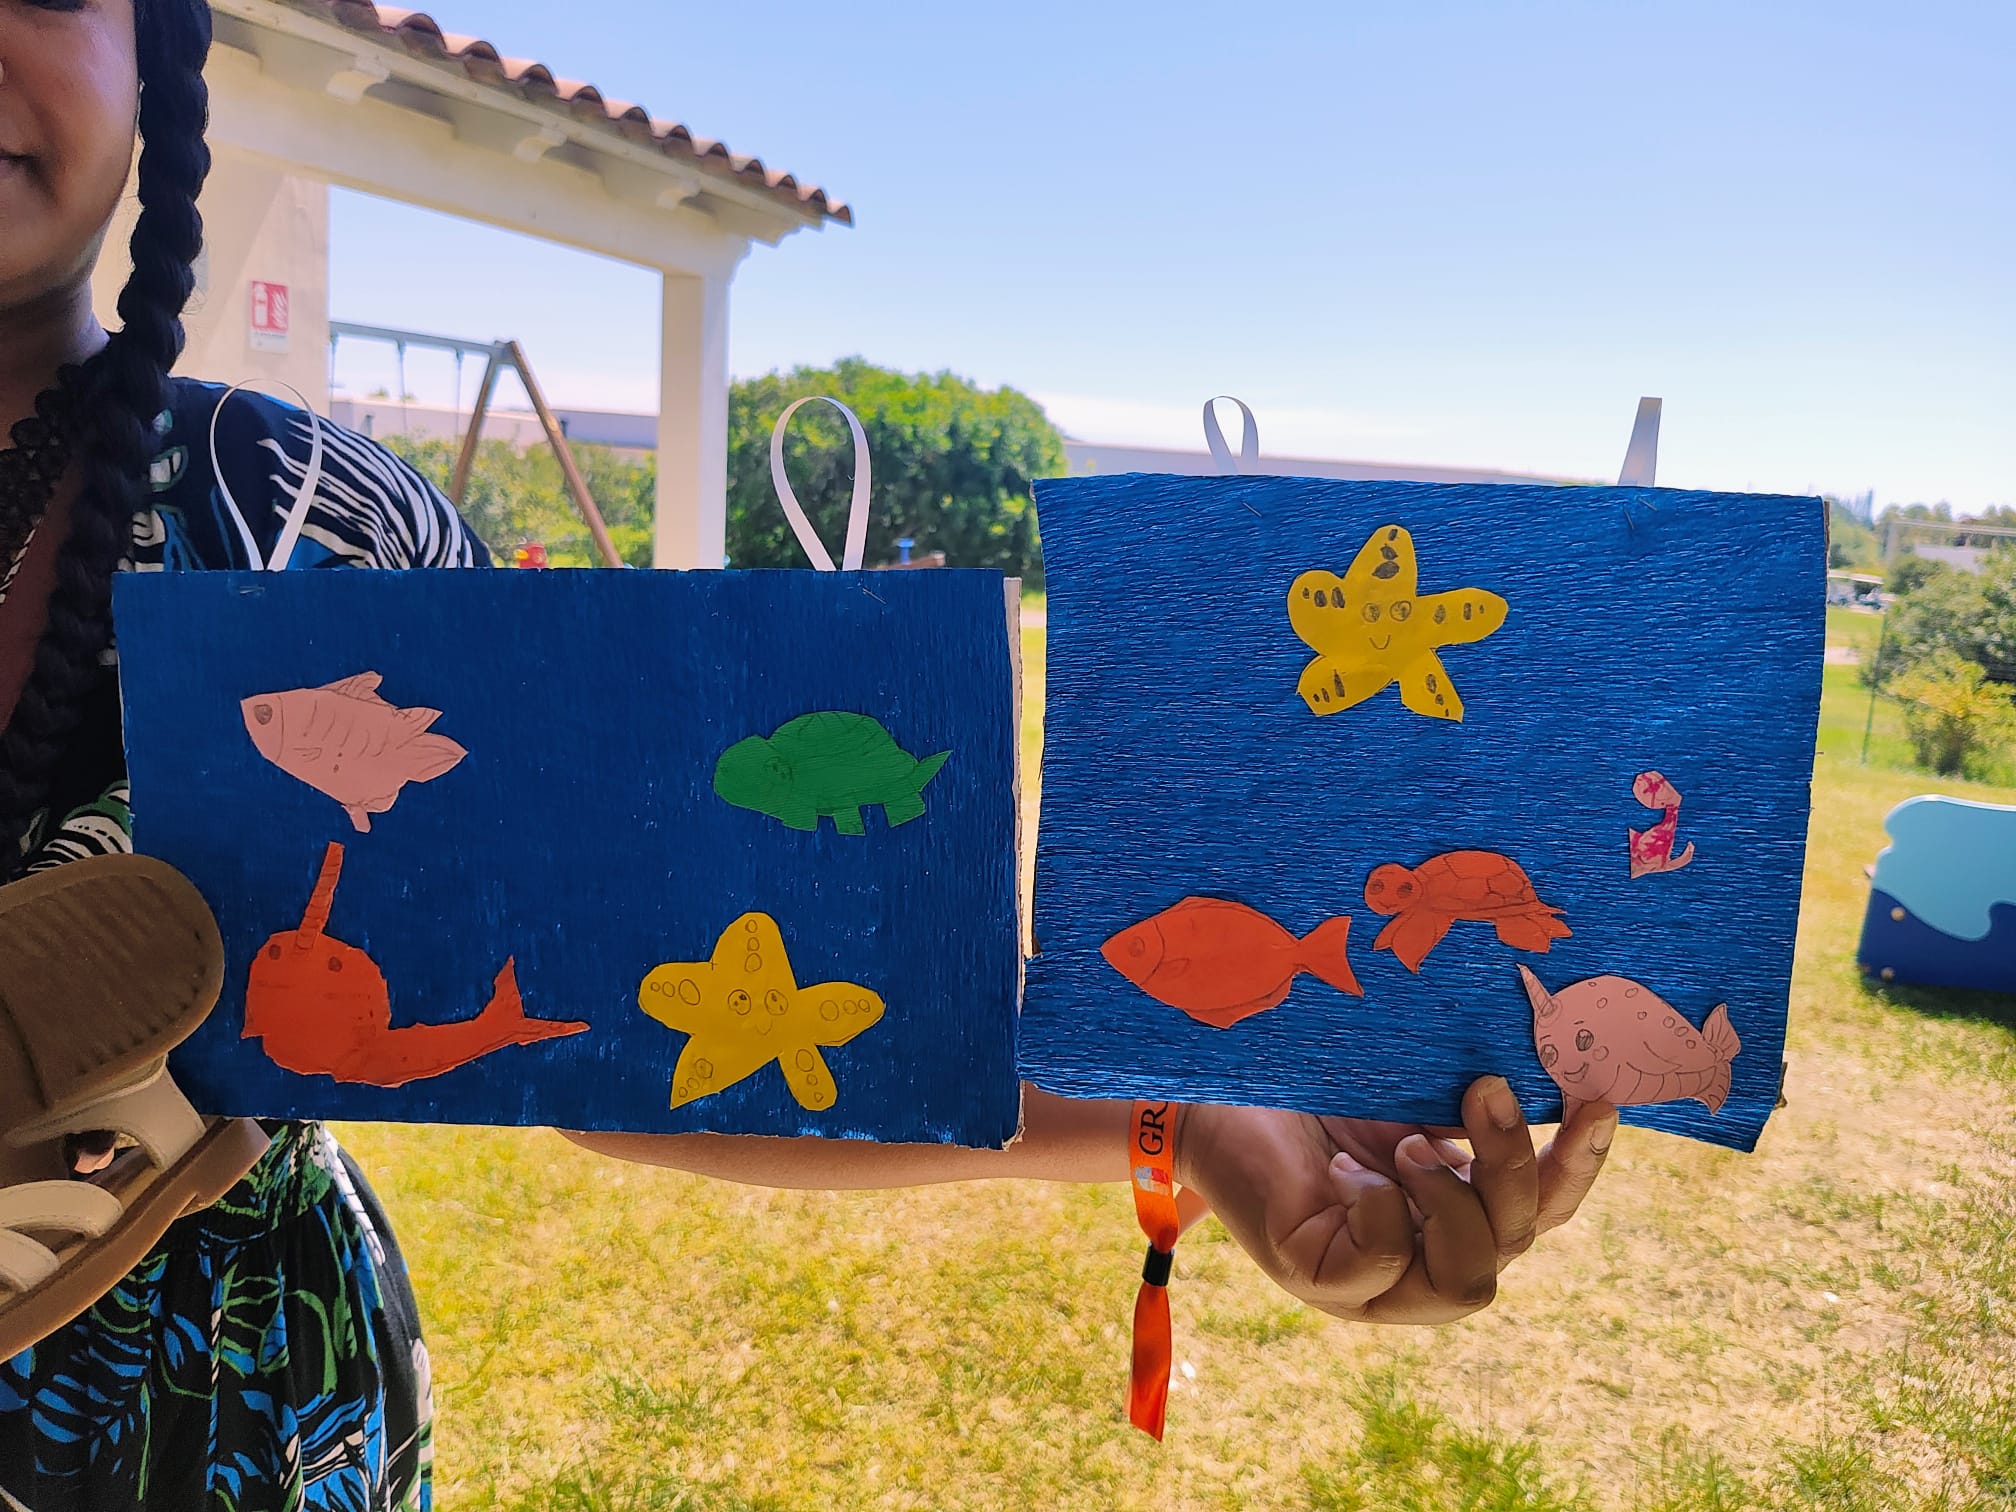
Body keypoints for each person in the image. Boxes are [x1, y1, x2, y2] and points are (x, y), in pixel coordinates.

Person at [0, 1, 1619, 1504]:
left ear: (159, 49)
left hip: (242, 1435)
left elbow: (621, 1019)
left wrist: (1189, 1119)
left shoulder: (318, 530)